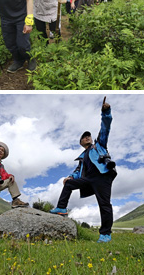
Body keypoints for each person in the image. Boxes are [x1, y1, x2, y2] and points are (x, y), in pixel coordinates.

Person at [50, 99, 117, 243]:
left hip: (102, 177)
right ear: (81, 143)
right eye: (84, 137)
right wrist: (70, 177)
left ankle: (105, 234)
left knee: (104, 204)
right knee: (68, 184)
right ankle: (61, 208)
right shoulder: (82, 157)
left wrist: (106, 112)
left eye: (88, 136)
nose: (87, 137)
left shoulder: (99, 145)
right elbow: (78, 171)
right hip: (89, 179)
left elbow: (105, 127)